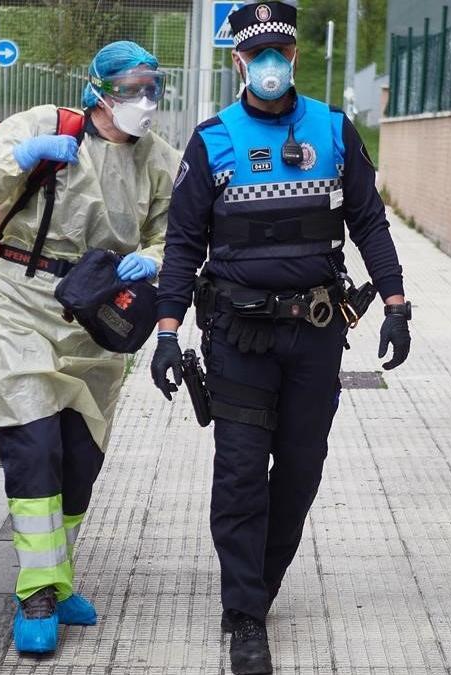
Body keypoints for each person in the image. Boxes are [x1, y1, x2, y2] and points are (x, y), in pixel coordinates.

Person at [148, 3, 410, 673]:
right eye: (256, 53)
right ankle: (244, 612)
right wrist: (168, 331)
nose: (269, 64)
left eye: (279, 52)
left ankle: (258, 585)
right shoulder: (212, 141)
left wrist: (396, 301)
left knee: (300, 470)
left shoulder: (333, 130)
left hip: (317, 335)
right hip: (237, 335)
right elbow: (182, 243)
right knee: (240, 472)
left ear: (293, 57)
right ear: (239, 60)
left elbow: (370, 223)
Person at [0, 41, 179, 655]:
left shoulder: (160, 160)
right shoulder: (45, 126)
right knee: (33, 446)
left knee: (81, 456)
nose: (145, 101)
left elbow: (176, 235)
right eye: (133, 87)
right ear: (100, 88)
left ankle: (59, 574)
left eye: (153, 87)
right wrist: (22, 156)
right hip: (21, 300)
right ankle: (35, 590)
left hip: (99, 315)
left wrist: (154, 259)